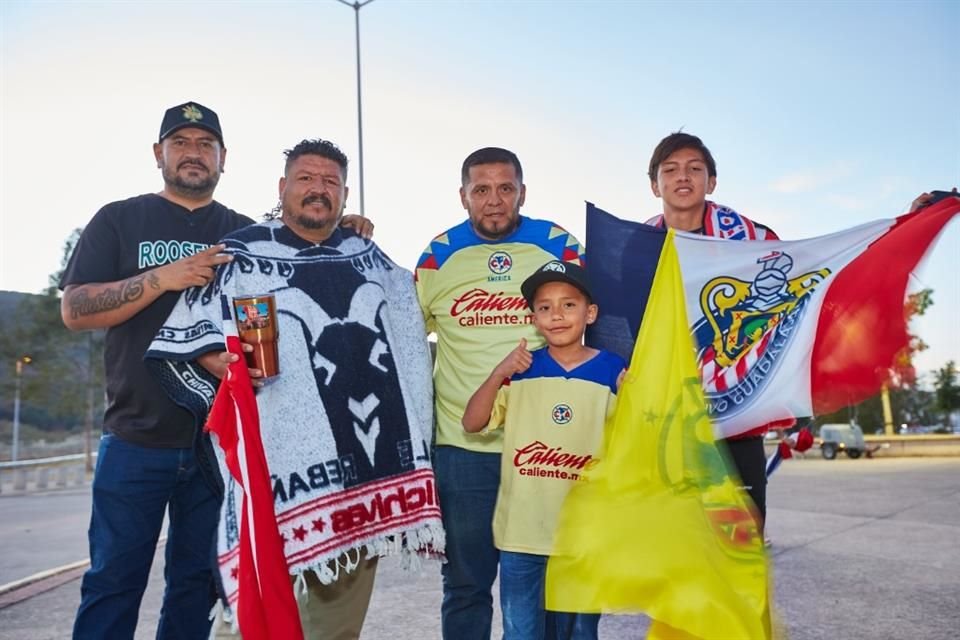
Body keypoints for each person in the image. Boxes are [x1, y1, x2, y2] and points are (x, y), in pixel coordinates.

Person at [145, 138, 442, 640]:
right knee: (249, 618)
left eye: (330, 182)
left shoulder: (370, 259)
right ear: (282, 187)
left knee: (336, 623)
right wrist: (212, 358)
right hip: (272, 467)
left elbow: (410, 342)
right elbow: (184, 338)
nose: (317, 190)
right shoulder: (240, 256)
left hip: (363, 477)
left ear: (345, 195)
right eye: (306, 179)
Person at [59, 101, 253, 639]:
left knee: (197, 586)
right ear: (158, 153)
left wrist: (344, 228)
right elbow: (75, 310)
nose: (194, 153)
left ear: (223, 158)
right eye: (181, 142)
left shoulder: (243, 232)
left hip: (216, 441)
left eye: (205, 144)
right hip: (136, 435)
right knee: (114, 581)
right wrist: (164, 277)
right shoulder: (120, 218)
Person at [415, 147, 585, 639]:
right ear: (463, 195)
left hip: (548, 446)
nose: (494, 200)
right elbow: (403, 338)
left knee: (550, 579)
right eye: (481, 189)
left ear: (522, 193)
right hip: (464, 450)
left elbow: (599, 322)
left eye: (505, 188)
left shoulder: (559, 244)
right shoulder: (437, 255)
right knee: (467, 583)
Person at [462, 261, 626, 640]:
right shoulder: (521, 369)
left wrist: (636, 396)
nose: (557, 315)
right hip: (523, 532)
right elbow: (471, 423)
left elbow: (634, 440)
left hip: (584, 533)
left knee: (580, 633)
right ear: (533, 317)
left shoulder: (613, 372)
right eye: (545, 307)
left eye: (569, 305)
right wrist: (498, 373)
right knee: (521, 632)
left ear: (591, 313)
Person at [645, 131, 785, 530]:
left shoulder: (754, 240)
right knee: (673, 543)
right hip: (665, 421)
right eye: (669, 170)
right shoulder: (633, 247)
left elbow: (811, 276)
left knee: (740, 541)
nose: (682, 177)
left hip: (735, 412)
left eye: (694, 168)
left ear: (712, 181)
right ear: (655, 185)